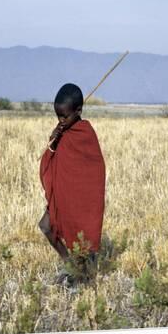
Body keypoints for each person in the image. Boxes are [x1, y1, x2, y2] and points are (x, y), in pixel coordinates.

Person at [39, 83, 106, 287]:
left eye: (64, 116)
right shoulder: (62, 132)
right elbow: (49, 160)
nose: (61, 120)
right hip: (61, 196)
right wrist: (53, 139)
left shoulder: (85, 133)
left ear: (78, 111)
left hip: (80, 200)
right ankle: (69, 264)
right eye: (58, 116)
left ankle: (83, 277)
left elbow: (94, 170)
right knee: (46, 226)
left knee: (81, 240)